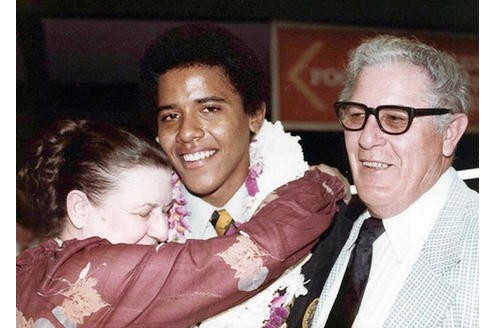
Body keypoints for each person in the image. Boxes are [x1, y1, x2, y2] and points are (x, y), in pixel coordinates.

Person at [16, 119, 347, 327]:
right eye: (143, 212)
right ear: (79, 208)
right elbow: (256, 252)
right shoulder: (93, 274)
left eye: (166, 211)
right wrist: (322, 184)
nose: (162, 231)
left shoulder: (29, 272)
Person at [140, 23, 352, 326]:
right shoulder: (139, 233)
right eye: (171, 116)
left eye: (210, 109)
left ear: (254, 115)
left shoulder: (322, 222)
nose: (186, 132)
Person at [288, 34, 478, 327]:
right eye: (356, 115)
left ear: (450, 132)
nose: (366, 138)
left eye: (394, 119)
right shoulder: (343, 232)